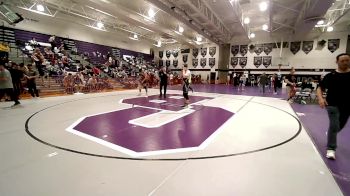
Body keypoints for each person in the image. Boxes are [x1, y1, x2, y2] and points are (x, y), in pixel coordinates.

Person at [317, 53, 350, 160]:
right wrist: (321, 99)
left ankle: (332, 132)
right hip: (332, 104)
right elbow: (319, 87)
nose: (345, 62)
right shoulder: (330, 76)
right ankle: (331, 149)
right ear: (337, 62)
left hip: (347, 105)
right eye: (342, 61)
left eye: (347, 60)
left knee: (339, 126)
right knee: (334, 124)